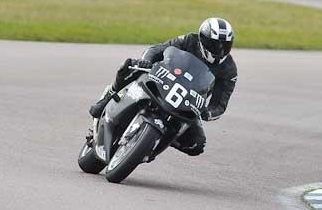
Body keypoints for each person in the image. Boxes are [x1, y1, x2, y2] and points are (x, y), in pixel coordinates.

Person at [89, 17, 237, 156]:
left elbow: (220, 104)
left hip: (188, 102)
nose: (220, 50)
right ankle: (108, 97)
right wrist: (146, 61)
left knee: (197, 144)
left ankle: (160, 138)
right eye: (214, 44)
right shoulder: (189, 40)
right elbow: (157, 49)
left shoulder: (229, 69)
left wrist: (207, 113)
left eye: (225, 45)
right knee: (130, 67)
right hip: (164, 78)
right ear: (202, 39)